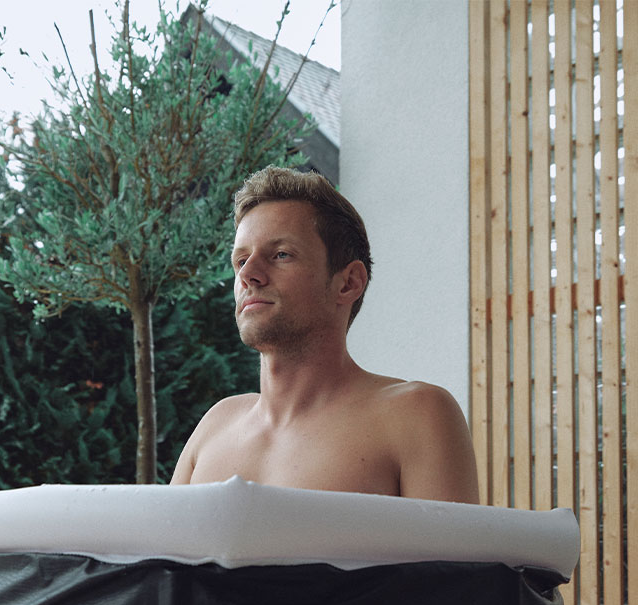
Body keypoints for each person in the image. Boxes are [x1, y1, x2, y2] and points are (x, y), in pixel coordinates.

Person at [170, 166, 479, 503]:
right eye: (241, 260)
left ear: (348, 283)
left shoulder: (416, 416)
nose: (249, 274)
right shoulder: (215, 426)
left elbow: (448, 541)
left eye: (281, 255)